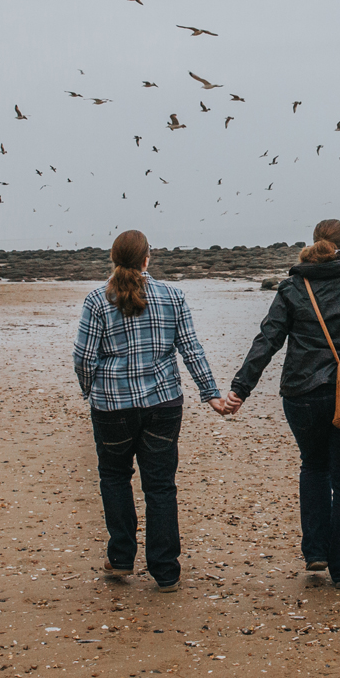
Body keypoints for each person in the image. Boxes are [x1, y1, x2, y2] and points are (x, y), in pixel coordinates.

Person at [224, 218, 340, 589]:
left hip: (302, 393)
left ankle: (316, 552)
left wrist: (240, 389)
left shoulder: (294, 286)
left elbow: (268, 340)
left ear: (315, 244)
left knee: (313, 466)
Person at [73, 229, 227, 592]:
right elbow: (191, 350)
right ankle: (165, 570)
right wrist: (211, 393)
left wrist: (89, 389)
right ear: (147, 259)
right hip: (163, 403)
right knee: (160, 486)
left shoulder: (98, 300)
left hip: (112, 405)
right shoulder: (172, 297)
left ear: (113, 259)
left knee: (114, 477)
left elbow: (83, 357)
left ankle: (122, 557)